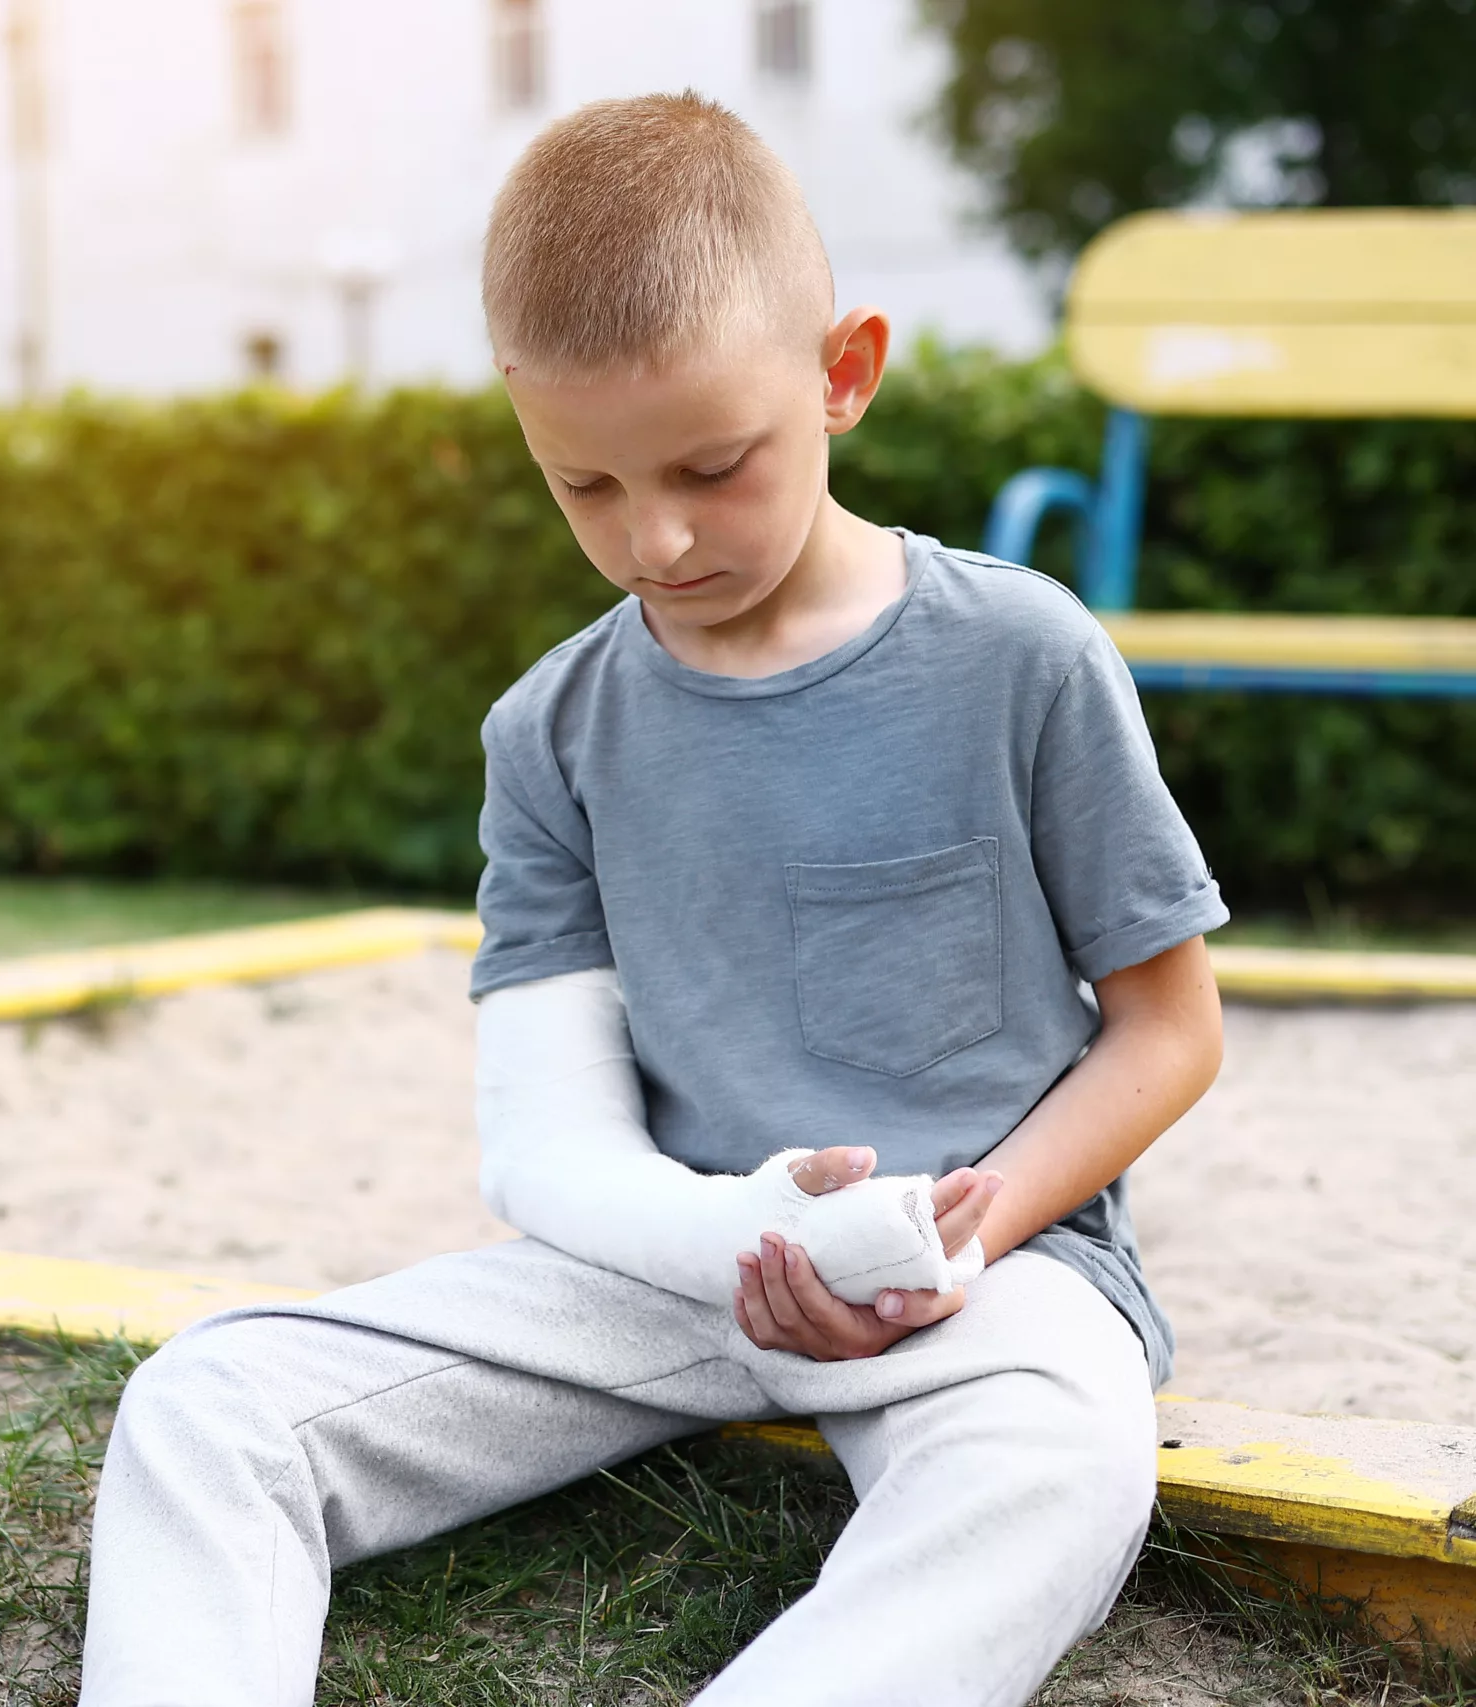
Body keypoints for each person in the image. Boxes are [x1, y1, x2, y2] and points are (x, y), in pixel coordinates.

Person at [78, 91, 1226, 1707]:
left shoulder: (1024, 657)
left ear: (843, 371)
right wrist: (740, 1228)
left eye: (709, 464)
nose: (656, 538)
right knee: (206, 1400)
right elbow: (543, 1143)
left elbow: (1170, 1029)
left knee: (1058, 1465)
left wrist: (960, 1231)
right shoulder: (549, 730)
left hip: (986, 1278)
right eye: (587, 487)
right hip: (668, 1260)